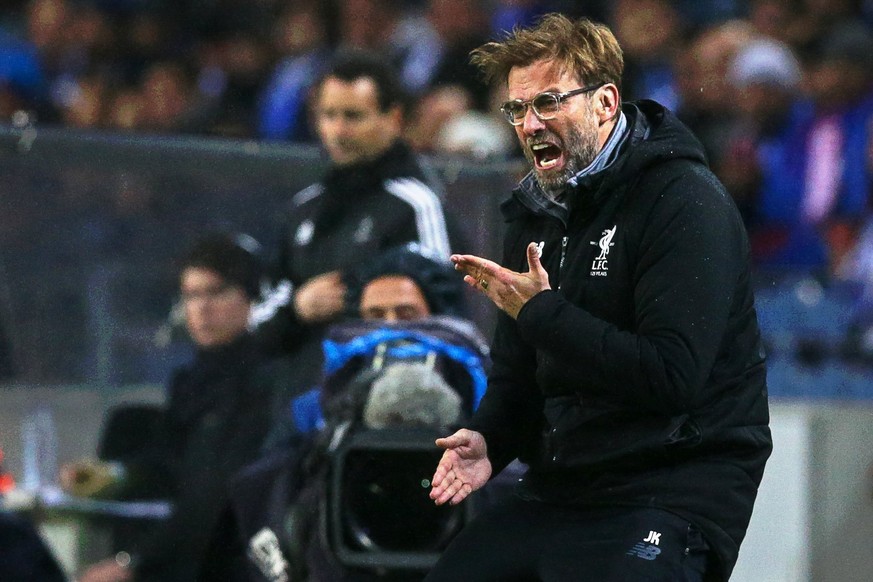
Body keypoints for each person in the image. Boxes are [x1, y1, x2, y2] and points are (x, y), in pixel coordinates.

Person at [426, 13, 772, 582]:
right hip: (564, 486)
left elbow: (672, 376)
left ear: (606, 102)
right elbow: (518, 376)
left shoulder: (684, 201)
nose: (530, 123)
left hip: (671, 486)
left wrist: (543, 313)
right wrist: (490, 437)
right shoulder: (534, 213)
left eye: (548, 103)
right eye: (517, 109)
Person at [205, 244, 487, 582]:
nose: (390, 328)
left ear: (439, 313)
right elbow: (261, 487)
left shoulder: (484, 393)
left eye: (406, 314)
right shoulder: (314, 407)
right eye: (375, 316)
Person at [63, 232, 293, 582]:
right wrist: (119, 475)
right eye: (191, 295)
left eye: (216, 292)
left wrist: (134, 564)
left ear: (250, 300)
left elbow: (216, 495)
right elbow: (172, 462)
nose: (201, 308)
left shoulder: (266, 381)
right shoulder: (191, 380)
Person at [255, 49, 458, 396]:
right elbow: (260, 318)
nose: (338, 130)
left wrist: (352, 295)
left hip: (381, 406)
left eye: (353, 116)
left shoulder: (415, 204)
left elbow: (443, 310)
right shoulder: (305, 208)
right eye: (328, 115)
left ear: (392, 118)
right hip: (298, 404)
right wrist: (299, 308)